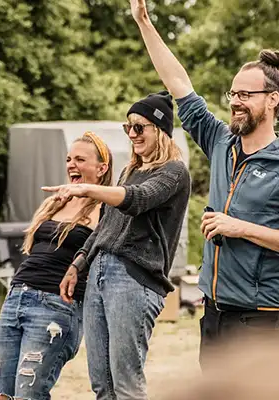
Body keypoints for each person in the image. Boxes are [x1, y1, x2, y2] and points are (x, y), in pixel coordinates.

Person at [130, 0, 279, 366]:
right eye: (233, 94)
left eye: (245, 95)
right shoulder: (222, 142)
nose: (236, 102)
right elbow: (179, 85)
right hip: (215, 314)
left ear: (272, 99)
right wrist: (144, 22)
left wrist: (240, 228)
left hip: (260, 319)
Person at [45, 92, 191, 400]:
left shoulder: (174, 172)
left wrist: (89, 188)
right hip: (99, 274)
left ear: (161, 131)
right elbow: (105, 227)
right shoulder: (129, 171)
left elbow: (138, 199)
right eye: (129, 127)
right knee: (102, 385)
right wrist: (78, 263)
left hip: (133, 278)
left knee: (126, 384)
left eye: (140, 127)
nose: (133, 134)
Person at [0, 131, 113, 400]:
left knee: (29, 394)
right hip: (17, 297)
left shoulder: (105, 209)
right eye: (69, 159)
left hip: (56, 307)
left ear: (101, 168)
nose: (71, 164)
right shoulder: (55, 202)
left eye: (80, 159)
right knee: (3, 394)